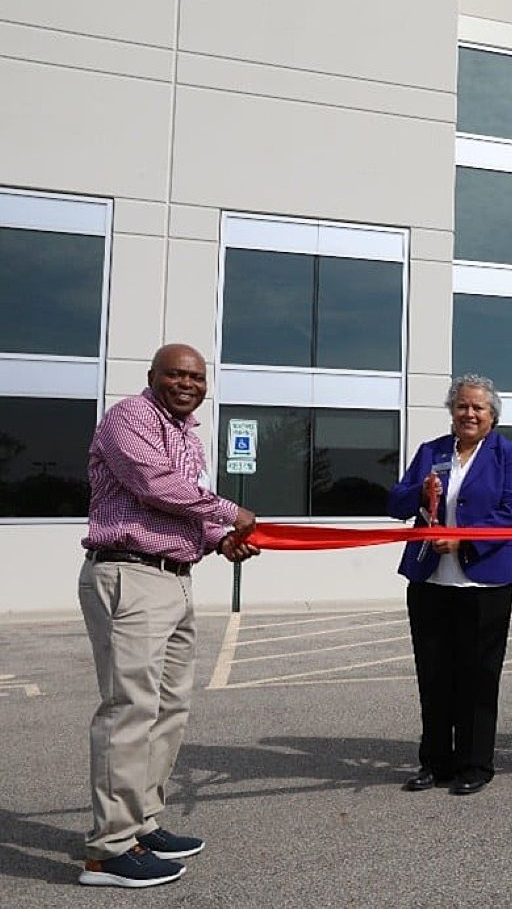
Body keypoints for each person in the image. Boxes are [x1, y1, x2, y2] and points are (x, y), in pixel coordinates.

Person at [77, 343, 258, 888]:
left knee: (169, 707)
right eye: (176, 374)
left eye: (196, 378)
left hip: (175, 578)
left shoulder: (188, 436)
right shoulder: (130, 416)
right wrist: (228, 511)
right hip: (129, 574)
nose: (187, 384)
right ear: (152, 376)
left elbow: (186, 506)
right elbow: (154, 484)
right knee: (129, 708)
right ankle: (109, 850)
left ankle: (140, 823)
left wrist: (221, 539)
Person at [389, 375, 512, 796]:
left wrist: (464, 539)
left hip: (485, 582)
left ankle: (475, 763)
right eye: (462, 406)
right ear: (452, 411)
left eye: (478, 408)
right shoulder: (431, 451)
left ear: (492, 415)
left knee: (479, 675)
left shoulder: (509, 454)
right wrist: (419, 492)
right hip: (430, 580)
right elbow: (396, 502)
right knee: (434, 674)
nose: (469, 413)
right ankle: (435, 762)